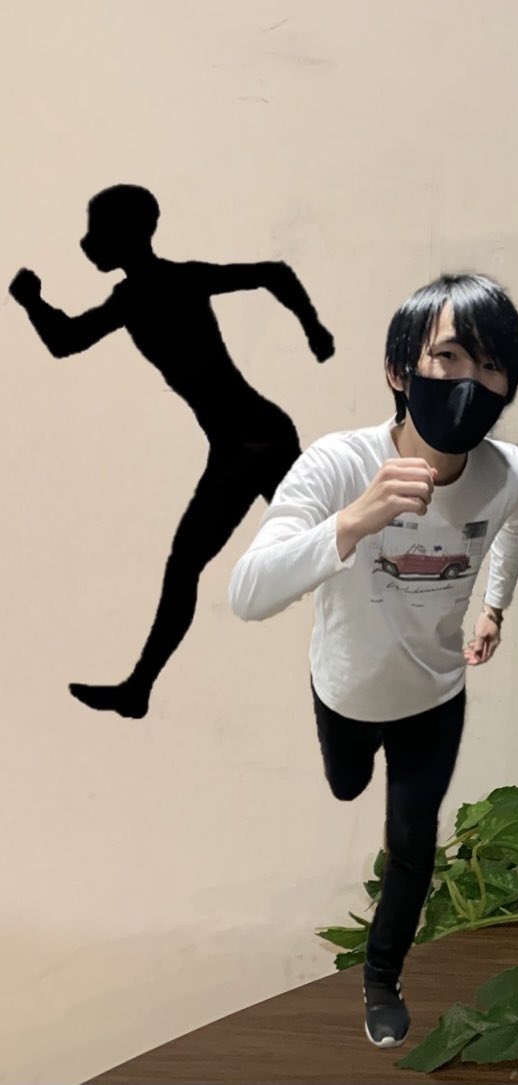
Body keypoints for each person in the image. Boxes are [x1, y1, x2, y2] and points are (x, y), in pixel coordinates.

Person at [228, 274, 518, 1047]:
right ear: (400, 370)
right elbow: (247, 590)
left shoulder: (506, 474)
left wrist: (495, 606)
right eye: (449, 357)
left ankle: (380, 977)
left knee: (411, 842)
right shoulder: (338, 464)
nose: (469, 382)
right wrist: (355, 519)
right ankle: (349, 765)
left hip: (435, 695)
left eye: (491, 365)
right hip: (345, 689)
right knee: (346, 782)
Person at [9, 184, 334, 718]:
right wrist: (312, 329)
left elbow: (65, 340)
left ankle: (138, 688)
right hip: (246, 438)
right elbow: (67, 341)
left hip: (251, 441)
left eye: (97, 231)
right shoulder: (144, 291)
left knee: (216, 562)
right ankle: (138, 689)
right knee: (321, 547)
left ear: (126, 234)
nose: (88, 243)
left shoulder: (155, 288)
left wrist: (31, 301)